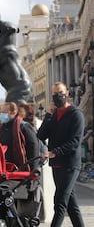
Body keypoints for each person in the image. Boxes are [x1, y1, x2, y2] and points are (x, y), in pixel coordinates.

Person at [37, 82, 85, 227]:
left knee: (60, 203)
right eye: (54, 94)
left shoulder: (76, 114)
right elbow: (41, 135)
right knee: (71, 204)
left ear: (67, 93)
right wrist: (48, 115)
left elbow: (75, 141)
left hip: (70, 164)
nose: (57, 96)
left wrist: (55, 152)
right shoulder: (54, 115)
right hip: (56, 164)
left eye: (60, 93)